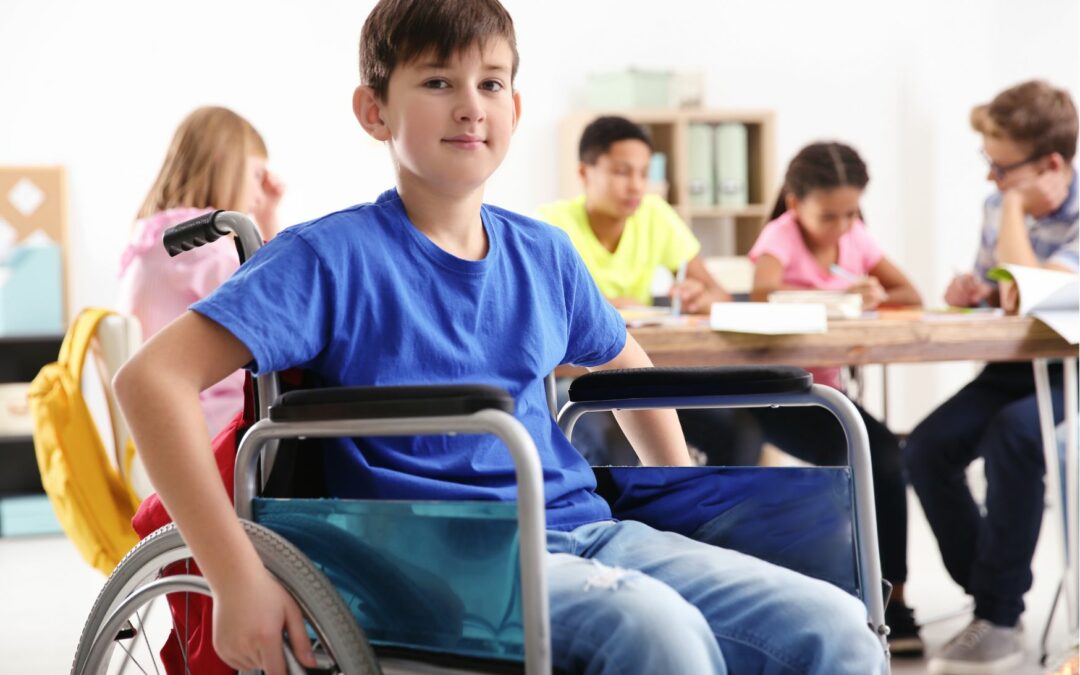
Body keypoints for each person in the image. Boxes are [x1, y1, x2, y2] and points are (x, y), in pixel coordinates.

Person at [113, 2, 887, 673]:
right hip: (430, 561)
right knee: (658, 631)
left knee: (837, 629)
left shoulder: (543, 253)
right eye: (438, 81)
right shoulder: (329, 256)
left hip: (589, 531)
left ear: (515, 106)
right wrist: (233, 575)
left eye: (490, 83)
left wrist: (677, 495)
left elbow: (626, 365)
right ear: (374, 110)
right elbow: (151, 380)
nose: (470, 105)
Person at [905, 80, 1077, 675]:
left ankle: (999, 615)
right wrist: (972, 292)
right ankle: (993, 597)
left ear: (1051, 164)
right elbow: (1002, 293)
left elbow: (1032, 294)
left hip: (1067, 375)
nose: (990, 182)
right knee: (925, 448)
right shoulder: (1000, 203)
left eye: (1001, 170)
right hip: (1011, 367)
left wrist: (1010, 210)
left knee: (1018, 434)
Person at [748, 141, 924, 655]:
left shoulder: (855, 237)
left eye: (851, 213)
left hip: (829, 396)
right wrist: (837, 298)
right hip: (777, 395)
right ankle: (836, 599)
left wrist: (876, 294)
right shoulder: (778, 237)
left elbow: (909, 295)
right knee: (853, 457)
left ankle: (894, 599)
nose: (842, 226)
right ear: (794, 200)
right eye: (829, 215)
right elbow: (762, 298)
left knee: (885, 456)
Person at [538, 115, 760, 468]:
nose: (636, 186)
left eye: (645, 173)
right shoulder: (550, 226)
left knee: (738, 429)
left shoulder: (654, 214)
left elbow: (718, 294)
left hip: (645, 375)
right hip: (575, 379)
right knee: (606, 433)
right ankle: (619, 520)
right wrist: (601, 310)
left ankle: (714, 515)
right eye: (622, 172)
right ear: (584, 173)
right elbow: (540, 321)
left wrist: (698, 297)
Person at [117, 106, 284, 437]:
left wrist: (267, 217)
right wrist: (271, 220)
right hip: (209, 422)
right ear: (224, 162)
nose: (258, 193)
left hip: (170, 416)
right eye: (255, 175)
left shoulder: (155, 238)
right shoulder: (202, 247)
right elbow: (277, 303)